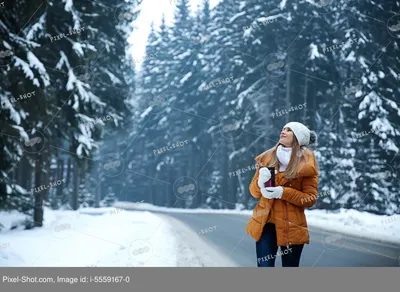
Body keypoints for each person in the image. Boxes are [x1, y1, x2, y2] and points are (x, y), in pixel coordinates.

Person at [245, 121, 319, 267]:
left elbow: (310, 198)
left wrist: (283, 192)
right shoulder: (267, 158)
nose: (283, 131)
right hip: (265, 224)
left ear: (298, 137)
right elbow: (253, 192)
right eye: (283, 128)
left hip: (292, 225)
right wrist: (261, 182)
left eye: (289, 130)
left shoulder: (307, 163)